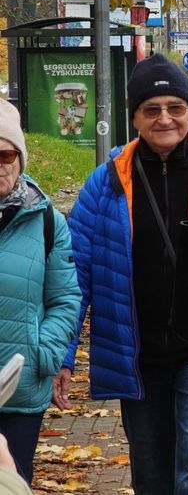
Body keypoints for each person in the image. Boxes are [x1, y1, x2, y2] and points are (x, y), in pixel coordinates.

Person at [57, 54, 188, 495]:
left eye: (175, 107)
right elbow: (76, 276)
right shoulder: (106, 181)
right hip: (137, 353)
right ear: (134, 117)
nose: (165, 118)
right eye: (152, 109)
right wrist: (65, 356)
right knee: (151, 475)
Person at [0, 101, 80, 484]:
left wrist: (43, 354)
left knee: (14, 484)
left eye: (5, 154)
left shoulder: (46, 219)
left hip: (20, 389)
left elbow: (64, 298)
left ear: (20, 158)